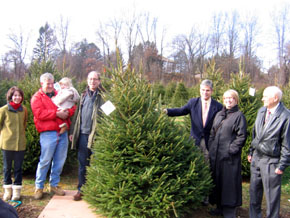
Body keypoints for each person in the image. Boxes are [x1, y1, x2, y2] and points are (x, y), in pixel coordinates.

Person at [31, 72, 76, 200]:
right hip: (48, 133)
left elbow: (72, 105)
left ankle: (54, 185)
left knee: (59, 160)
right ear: (42, 84)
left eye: (52, 83)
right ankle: (39, 187)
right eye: (47, 83)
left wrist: (67, 112)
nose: (50, 85)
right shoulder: (37, 97)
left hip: (62, 132)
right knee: (45, 160)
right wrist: (56, 113)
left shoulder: (60, 93)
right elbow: (39, 113)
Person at [248, 86, 290, 218]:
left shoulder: (286, 116)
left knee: (272, 197)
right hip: (256, 159)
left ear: (275, 98)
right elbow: (255, 134)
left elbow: (287, 143)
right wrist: (251, 151)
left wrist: (282, 165)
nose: (262, 98)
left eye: (265, 96)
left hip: (272, 162)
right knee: (254, 193)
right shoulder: (261, 111)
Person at [208, 89, 247, 217]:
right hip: (216, 156)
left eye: (231, 98)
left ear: (236, 100)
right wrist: (212, 146)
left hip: (229, 158)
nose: (228, 101)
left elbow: (241, 136)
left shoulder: (239, 116)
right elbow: (212, 132)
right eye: (226, 98)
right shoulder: (219, 114)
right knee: (218, 181)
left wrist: (231, 150)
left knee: (229, 183)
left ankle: (229, 210)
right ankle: (219, 206)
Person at [164, 79, 223, 161]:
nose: (205, 92)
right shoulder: (193, 103)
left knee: (208, 163)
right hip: (194, 140)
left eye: (207, 90)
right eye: (203, 90)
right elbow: (181, 110)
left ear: (211, 91)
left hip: (209, 142)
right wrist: (167, 111)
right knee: (194, 161)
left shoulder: (218, 106)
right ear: (200, 90)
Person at [69, 71, 104, 201]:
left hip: (98, 136)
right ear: (87, 80)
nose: (92, 81)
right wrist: (73, 132)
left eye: (95, 79)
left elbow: (111, 115)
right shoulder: (83, 96)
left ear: (99, 81)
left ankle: (97, 191)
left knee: (97, 164)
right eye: (90, 79)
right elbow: (77, 115)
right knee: (83, 164)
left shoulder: (103, 97)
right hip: (83, 135)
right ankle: (81, 190)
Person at [0, 87, 28, 201]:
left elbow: (24, 123)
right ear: (11, 96)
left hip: (20, 144)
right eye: (15, 95)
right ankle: (7, 190)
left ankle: (16, 191)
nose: (17, 97)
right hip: (7, 144)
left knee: (18, 168)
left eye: (19, 95)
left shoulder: (24, 110)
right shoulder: (4, 110)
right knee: (7, 168)